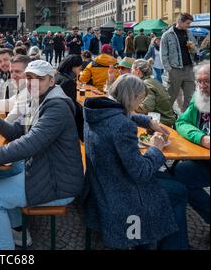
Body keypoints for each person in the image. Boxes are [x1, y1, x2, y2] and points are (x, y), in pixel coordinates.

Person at [0, 60, 84, 250]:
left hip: (59, 182)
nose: (32, 83)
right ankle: (18, 231)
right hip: (47, 170)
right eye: (30, 78)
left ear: (51, 81)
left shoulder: (56, 107)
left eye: (39, 79)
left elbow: (30, 143)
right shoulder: (40, 99)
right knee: (0, 175)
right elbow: (19, 131)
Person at [82, 74, 189, 250]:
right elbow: (140, 173)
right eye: (140, 99)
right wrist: (156, 149)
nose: (139, 105)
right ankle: (174, 246)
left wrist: (147, 121)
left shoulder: (95, 112)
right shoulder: (123, 127)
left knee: (171, 181)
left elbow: (118, 117)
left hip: (101, 182)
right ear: (132, 97)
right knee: (179, 190)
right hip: (121, 191)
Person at [172, 61, 209, 226]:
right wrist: (201, 138)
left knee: (178, 178)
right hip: (202, 158)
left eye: (207, 81)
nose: (202, 86)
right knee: (175, 177)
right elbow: (181, 123)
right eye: (199, 81)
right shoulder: (198, 97)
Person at [161, 12, 199, 112]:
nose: (189, 26)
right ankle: (166, 117)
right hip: (175, 70)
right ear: (179, 22)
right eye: (187, 23)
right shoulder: (167, 35)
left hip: (189, 69)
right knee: (170, 96)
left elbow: (196, 49)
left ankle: (184, 118)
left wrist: (193, 47)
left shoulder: (189, 33)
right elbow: (163, 54)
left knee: (190, 96)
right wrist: (169, 69)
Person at [131, 59, 176, 127]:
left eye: (132, 70)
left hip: (163, 121)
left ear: (137, 71)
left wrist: (129, 104)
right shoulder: (151, 81)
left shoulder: (146, 84)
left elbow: (146, 107)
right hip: (165, 119)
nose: (131, 73)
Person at [55, 54, 84, 140]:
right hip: (63, 126)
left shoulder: (57, 76)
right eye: (79, 69)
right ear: (73, 68)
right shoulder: (68, 82)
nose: (80, 72)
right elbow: (70, 108)